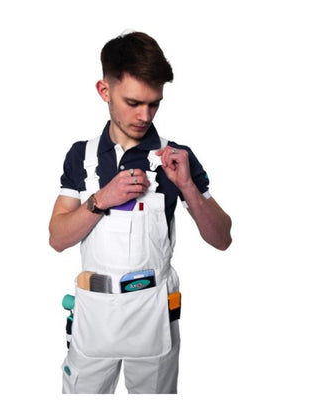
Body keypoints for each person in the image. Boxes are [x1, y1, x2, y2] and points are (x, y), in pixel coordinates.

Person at [49, 31, 232, 394]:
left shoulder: (176, 156)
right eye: (133, 102)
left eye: (154, 104)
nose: (144, 116)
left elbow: (222, 238)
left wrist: (188, 187)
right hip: (94, 314)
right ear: (104, 90)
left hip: (154, 314)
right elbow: (57, 238)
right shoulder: (80, 156)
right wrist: (102, 198)